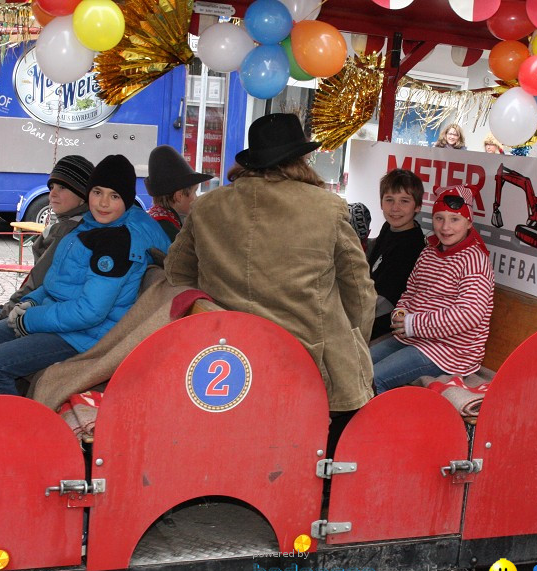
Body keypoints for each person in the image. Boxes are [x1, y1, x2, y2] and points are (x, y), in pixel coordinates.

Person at [164, 113, 377, 415]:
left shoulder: (206, 206)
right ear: (301, 159)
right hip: (311, 364)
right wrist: (356, 341)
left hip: (227, 362)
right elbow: (360, 292)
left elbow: (176, 272)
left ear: (252, 160)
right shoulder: (327, 208)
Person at [0, 154, 171, 395]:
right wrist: (31, 301)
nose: (103, 203)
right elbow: (55, 282)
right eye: (97, 192)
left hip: (83, 336)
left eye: (115, 196)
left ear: (127, 201)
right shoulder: (90, 225)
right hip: (59, 318)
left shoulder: (116, 243)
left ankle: (15, 426)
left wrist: (28, 319)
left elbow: (90, 312)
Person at [371, 184, 494, 394]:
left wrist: (413, 323)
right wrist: (400, 314)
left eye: (454, 219)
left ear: (469, 222)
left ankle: (379, 426)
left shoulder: (475, 261)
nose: (445, 227)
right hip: (413, 337)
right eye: (439, 218)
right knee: (356, 363)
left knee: (375, 377)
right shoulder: (429, 252)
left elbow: (468, 315)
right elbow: (410, 291)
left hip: (449, 351)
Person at [0, 155, 94, 327]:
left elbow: (39, 279)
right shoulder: (73, 224)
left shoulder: (67, 232)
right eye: (52, 187)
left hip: (48, 311)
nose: (53, 193)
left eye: (62, 188)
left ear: (82, 194)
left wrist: (5, 311)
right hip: (47, 305)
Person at [367, 169, 426, 339]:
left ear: (418, 206)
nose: (395, 208)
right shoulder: (388, 228)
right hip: (367, 310)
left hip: (385, 326)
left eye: (404, 201)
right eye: (389, 200)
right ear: (381, 203)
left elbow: (384, 304)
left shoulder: (412, 246)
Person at [144, 145, 212, 241]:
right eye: (194, 192)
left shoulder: (153, 218)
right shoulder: (171, 231)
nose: (196, 198)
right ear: (179, 196)